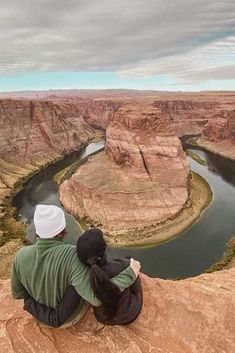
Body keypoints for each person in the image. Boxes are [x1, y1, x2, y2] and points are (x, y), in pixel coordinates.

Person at [11, 205, 140, 328]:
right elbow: (96, 299)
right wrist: (130, 275)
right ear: (63, 230)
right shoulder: (73, 255)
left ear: (37, 232)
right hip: (69, 319)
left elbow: (17, 294)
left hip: (38, 318)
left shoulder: (20, 255)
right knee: (79, 281)